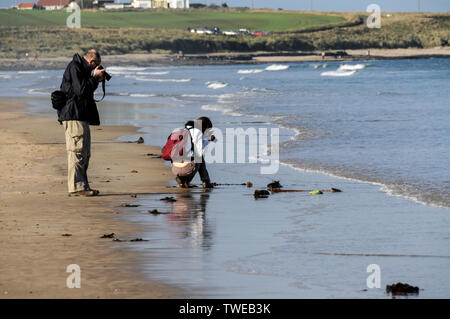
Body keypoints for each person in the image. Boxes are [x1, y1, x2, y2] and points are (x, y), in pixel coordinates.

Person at [58, 49, 106, 196]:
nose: (96, 68)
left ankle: (83, 186)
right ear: (92, 62)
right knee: (76, 151)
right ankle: (77, 187)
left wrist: (96, 80)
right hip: (73, 115)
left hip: (80, 115)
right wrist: (94, 78)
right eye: (96, 65)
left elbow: (84, 90)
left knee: (84, 153)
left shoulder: (80, 68)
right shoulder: (75, 67)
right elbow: (81, 90)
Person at [171, 117, 215, 189]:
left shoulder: (183, 130)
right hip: (185, 169)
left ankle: (183, 180)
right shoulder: (198, 132)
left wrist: (208, 140)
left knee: (192, 156)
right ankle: (205, 181)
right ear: (205, 127)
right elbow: (199, 150)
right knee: (200, 157)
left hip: (175, 168)